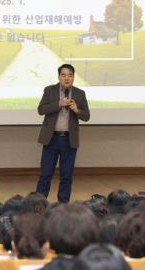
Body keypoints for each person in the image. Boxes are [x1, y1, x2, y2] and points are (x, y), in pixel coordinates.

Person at [36, 64, 90, 203]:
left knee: (66, 177)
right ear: (59, 76)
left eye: (70, 75)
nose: (67, 78)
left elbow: (86, 116)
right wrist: (58, 104)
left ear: (73, 77)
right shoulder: (49, 91)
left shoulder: (79, 93)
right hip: (51, 139)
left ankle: (63, 207)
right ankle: (38, 205)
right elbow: (41, 109)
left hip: (69, 140)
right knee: (45, 175)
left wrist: (77, 110)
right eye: (64, 75)